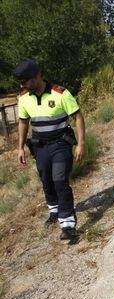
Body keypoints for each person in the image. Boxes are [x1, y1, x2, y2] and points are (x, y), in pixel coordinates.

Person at [13, 58, 85, 241]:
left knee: (60, 179)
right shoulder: (23, 99)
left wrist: (81, 144)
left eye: (26, 81)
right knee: (46, 179)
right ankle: (54, 210)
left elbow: (77, 117)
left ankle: (68, 224)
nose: (23, 86)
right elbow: (23, 122)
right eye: (21, 82)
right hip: (40, 147)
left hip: (61, 144)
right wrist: (20, 147)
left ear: (37, 76)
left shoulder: (60, 93)